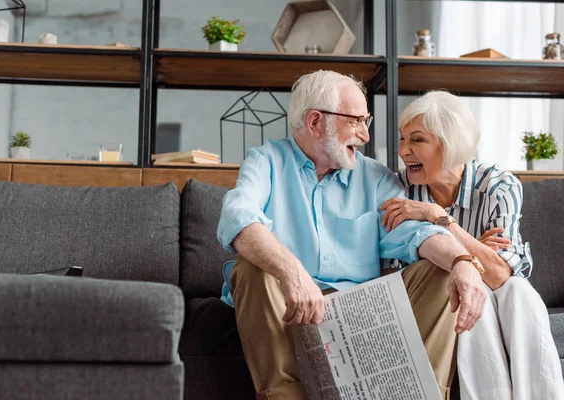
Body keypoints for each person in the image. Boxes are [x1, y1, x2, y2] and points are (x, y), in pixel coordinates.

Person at [217, 70, 487, 400]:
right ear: (316, 122)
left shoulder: (375, 177)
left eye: (366, 121)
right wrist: (292, 272)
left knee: (440, 267)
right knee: (249, 267)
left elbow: (415, 233)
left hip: (359, 317)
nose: (364, 135)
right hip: (285, 308)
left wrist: (462, 261)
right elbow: (237, 216)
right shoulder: (266, 161)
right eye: (356, 121)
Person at [380, 90, 564, 400]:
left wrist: (441, 220)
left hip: (502, 298)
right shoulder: (398, 189)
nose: (403, 150)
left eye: (417, 140)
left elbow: (503, 277)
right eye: (401, 139)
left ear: (449, 144)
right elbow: (410, 275)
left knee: (516, 291)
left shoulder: (498, 186)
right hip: (438, 304)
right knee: (469, 292)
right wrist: (473, 254)